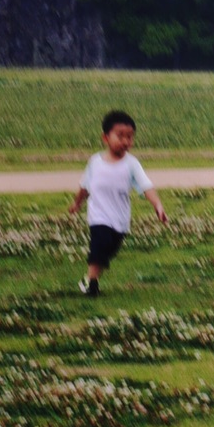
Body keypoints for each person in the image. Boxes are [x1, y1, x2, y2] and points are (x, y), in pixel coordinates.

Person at [65, 110, 167, 296]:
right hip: (99, 217)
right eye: (120, 136)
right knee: (100, 244)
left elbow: (146, 186)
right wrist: (77, 203)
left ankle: (88, 280)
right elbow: (85, 186)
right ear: (105, 138)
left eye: (130, 137)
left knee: (107, 253)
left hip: (120, 221)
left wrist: (157, 205)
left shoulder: (131, 164)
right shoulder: (95, 162)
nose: (126, 141)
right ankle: (92, 285)